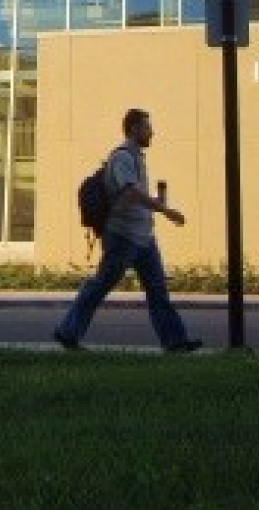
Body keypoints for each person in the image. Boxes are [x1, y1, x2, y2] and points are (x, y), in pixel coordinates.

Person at [53, 108, 202, 353]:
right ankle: (68, 332)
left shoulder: (138, 157)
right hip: (123, 236)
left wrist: (158, 204)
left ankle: (175, 341)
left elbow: (137, 196)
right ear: (134, 129)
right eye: (147, 127)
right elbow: (130, 192)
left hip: (143, 237)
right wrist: (165, 211)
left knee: (157, 290)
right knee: (100, 285)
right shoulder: (122, 156)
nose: (152, 132)